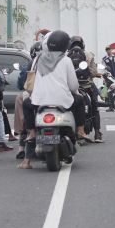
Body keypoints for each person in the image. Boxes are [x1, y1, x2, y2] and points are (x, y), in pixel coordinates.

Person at [20, 30, 90, 169]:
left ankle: (32, 131)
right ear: (65, 46)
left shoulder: (39, 58)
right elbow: (73, 85)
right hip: (62, 101)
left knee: (26, 104)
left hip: (38, 101)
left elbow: (30, 81)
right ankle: (81, 130)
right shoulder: (66, 60)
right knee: (80, 100)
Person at [69, 36, 103, 142]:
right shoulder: (89, 55)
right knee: (95, 106)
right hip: (86, 85)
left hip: (71, 86)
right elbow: (92, 73)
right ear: (82, 44)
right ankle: (97, 133)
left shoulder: (66, 56)